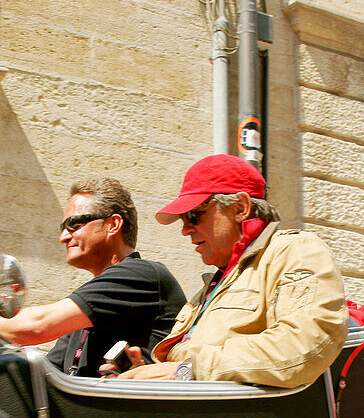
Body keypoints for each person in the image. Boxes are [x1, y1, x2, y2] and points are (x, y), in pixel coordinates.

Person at [117, 154, 348, 388]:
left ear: (240, 208)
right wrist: (143, 374)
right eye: (183, 219)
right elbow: (188, 361)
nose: (185, 229)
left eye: (194, 215)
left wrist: (187, 371)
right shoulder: (219, 279)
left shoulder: (295, 250)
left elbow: (302, 347)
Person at [0, 178, 186, 377]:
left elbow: (38, 326)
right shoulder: (89, 306)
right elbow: (48, 374)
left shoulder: (142, 274)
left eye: (74, 224)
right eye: (62, 228)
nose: (63, 237)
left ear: (113, 224)